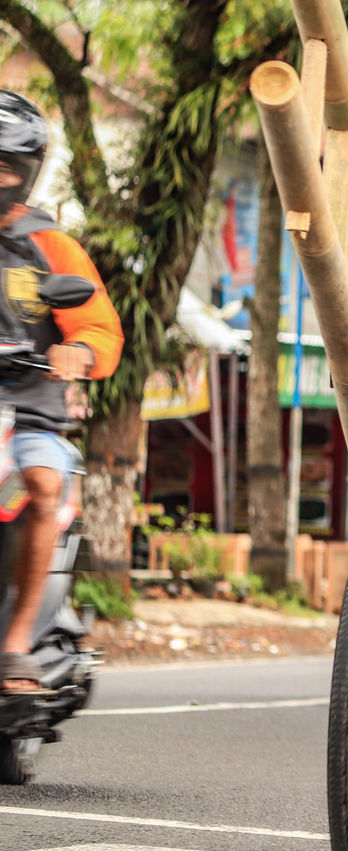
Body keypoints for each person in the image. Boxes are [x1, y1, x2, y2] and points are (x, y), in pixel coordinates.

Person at [0, 90, 123, 695]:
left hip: (28, 416)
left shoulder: (52, 246)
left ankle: (16, 643)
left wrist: (77, 350)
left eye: (1, 167)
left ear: (25, 174)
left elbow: (100, 326)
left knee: (44, 487)